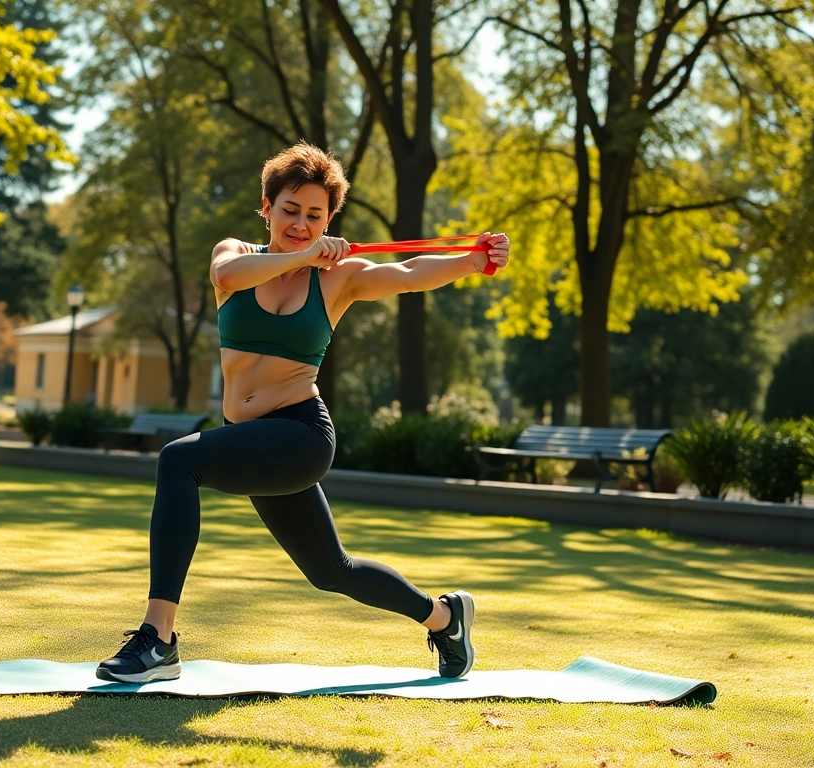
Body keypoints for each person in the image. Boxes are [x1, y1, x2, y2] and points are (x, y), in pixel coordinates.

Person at [97, 142, 511, 684]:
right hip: (251, 437)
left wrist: (476, 259)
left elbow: (410, 273)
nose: (300, 223)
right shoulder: (237, 254)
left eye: (315, 215)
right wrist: (303, 254)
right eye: (290, 210)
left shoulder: (338, 278)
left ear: (330, 219)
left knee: (179, 461)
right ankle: (445, 617)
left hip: (300, 435)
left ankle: (159, 641)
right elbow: (228, 277)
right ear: (266, 208)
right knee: (330, 571)